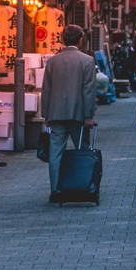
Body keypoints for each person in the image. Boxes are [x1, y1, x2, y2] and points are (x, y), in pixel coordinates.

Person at [41, 24, 97, 203]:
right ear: (81, 40)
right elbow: (88, 90)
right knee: (83, 150)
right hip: (79, 114)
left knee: (55, 152)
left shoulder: (52, 61)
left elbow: (46, 90)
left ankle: (56, 190)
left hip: (56, 113)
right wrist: (89, 115)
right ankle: (82, 186)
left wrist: (46, 114)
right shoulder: (87, 61)